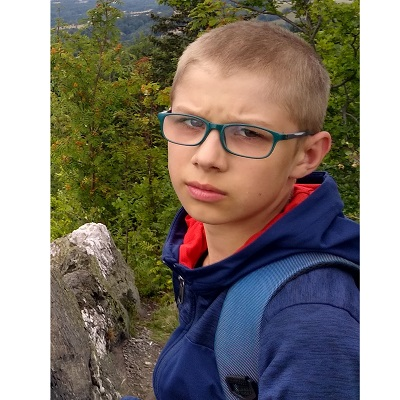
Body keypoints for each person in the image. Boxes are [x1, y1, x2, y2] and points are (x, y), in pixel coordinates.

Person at [123, 19, 359, 400]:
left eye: (249, 133)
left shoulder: (310, 319)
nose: (206, 157)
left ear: (307, 154)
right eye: (189, 122)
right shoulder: (204, 249)